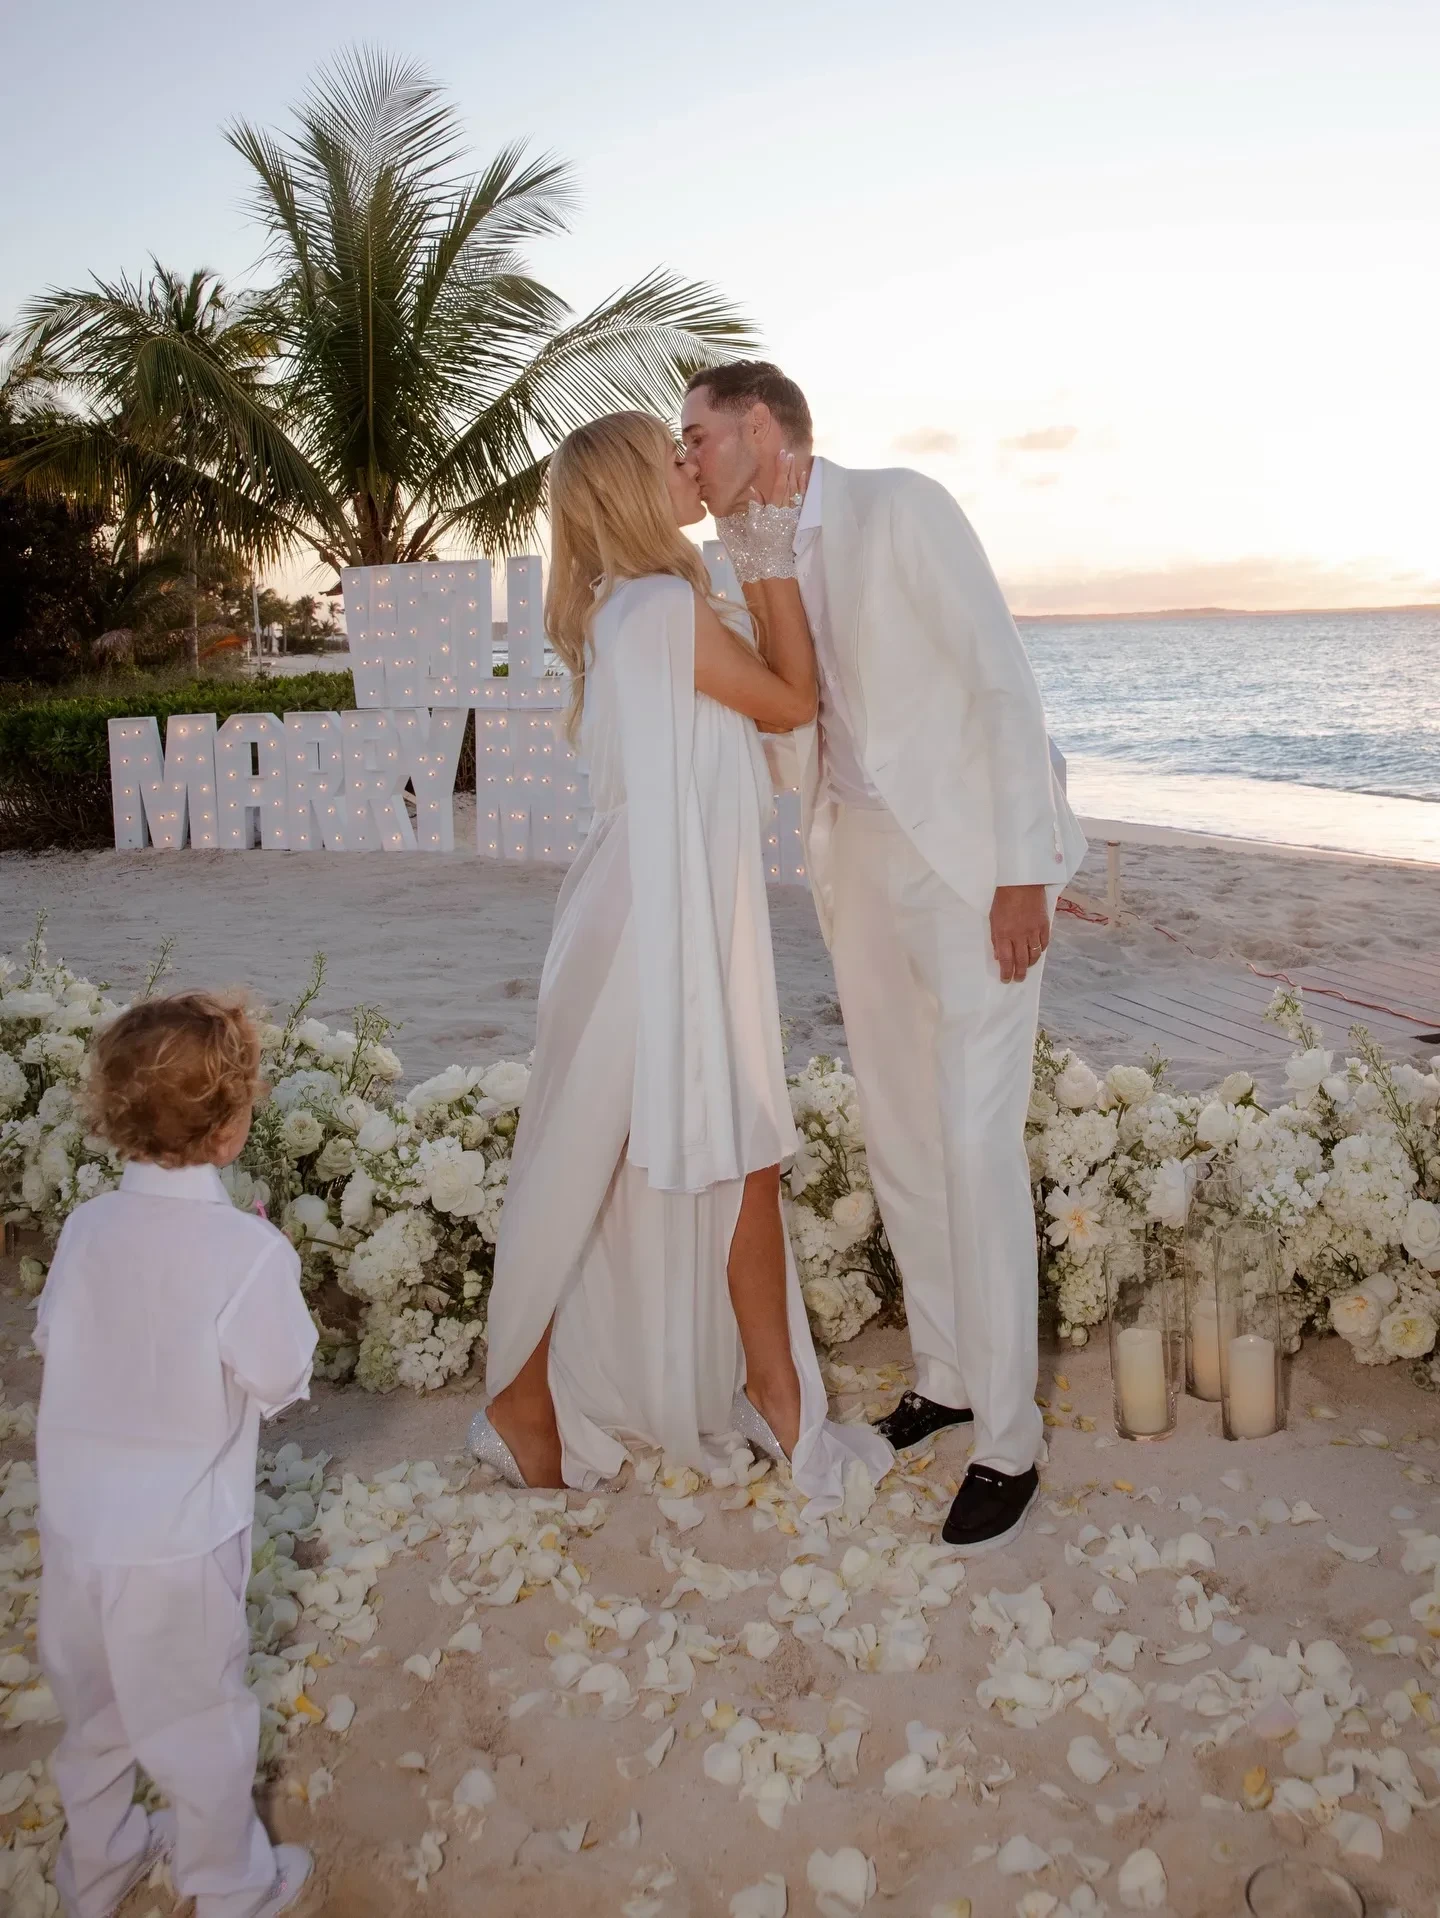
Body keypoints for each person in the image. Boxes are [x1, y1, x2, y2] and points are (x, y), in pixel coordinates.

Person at [682, 362, 1087, 1555]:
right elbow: (790, 717)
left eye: (697, 435)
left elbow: (1001, 682)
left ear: (761, 426)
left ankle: (1009, 1439)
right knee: (901, 1131)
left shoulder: (902, 505)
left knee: (973, 1138)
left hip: (969, 869)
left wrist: (1022, 867)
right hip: (854, 858)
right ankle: (947, 1376)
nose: (686, 459)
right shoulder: (744, 553)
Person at [469, 410, 892, 1512]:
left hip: (652, 903)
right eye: (670, 455)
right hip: (655, 915)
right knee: (662, 1149)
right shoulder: (659, 606)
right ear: (630, 487)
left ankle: (687, 1390)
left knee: (627, 1152)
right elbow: (792, 700)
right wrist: (764, 554)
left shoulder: (630, 606)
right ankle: (570, 1394)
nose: (688, 464)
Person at [34, 992, 318, 1918]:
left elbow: (55, 1336)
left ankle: (98, 1866)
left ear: (113, 1117)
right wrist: (271, 1263)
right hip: (179, 1542)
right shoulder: (246, 1251)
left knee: (94, 1720)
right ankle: (232, 1886)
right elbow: (279, 1377)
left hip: (77, 1532)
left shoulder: (85, 1229)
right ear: (231, 1130)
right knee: (199, 1723)